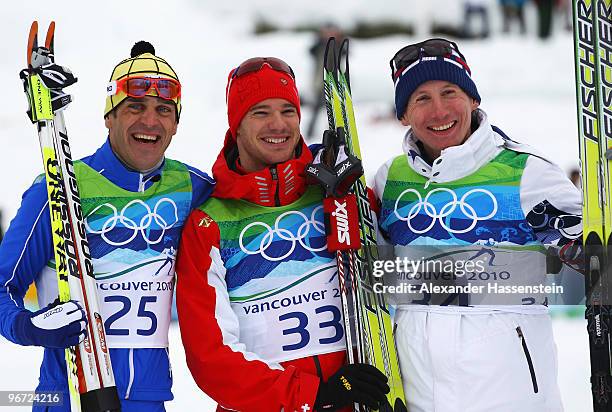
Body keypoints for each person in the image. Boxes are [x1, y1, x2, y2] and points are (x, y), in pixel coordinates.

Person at [0, 41, 214, 412]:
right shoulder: (59, 188)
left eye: (164, 110)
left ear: (176, 124)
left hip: (149, 399)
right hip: (68, 395)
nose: (150, 121)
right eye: (134, 107)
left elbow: (255, 199)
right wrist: (27, 326)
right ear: (109, 117)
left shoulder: (193, 189)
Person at [375, 38, 582, 411]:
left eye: (449, 92)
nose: (439, 111)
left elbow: (593, 257)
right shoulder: (391, 180)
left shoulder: (525, 172)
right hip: (419, 390)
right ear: (403, 115)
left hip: (509, 392)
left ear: (473, 99)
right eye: (421, 98)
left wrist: (584, 250)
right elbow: (367, 269)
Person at [176, 57, 389, 411]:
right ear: (237, 125)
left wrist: (350, 202)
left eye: (288, 110)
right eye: (260, 112)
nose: (278, 124)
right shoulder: (210, 224)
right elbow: (209, 356)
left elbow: (391, 279)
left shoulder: (334, 190)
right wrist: (313, 395)